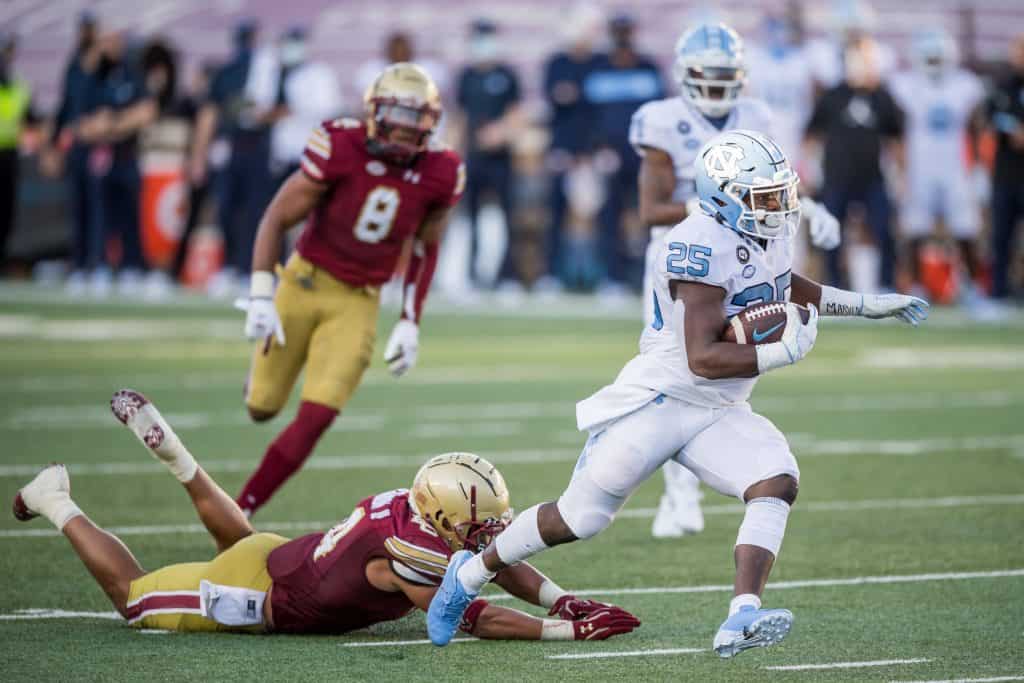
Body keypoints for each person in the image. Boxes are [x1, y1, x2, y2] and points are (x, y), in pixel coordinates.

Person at [426, 129, 929, 656]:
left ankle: (742, 616)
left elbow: (778, 285)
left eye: (781, 193)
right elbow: (703, 357)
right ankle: (469, 574)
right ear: (722, 198)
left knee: (775, 481)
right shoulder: (696, 243)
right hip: (663, 398)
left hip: (720, 406)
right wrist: (782, 353)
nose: (778, 207)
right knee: (579, 518)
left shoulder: (767, 229)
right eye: (764, 198)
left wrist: (862, 304)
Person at [12, 389, 640, 641]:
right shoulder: (416, 552)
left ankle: (176, 455)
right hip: (260, 594)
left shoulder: (415, 505)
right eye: (478, 524)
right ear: (444, 517)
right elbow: (473, 612)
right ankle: (54, 497)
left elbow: (493, 563)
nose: (490, 534)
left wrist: (561, 599)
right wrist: (565, 630)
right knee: (132, 600)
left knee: (244, 541)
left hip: (285, 556)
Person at [629, 22, 840, 539]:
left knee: (729, 367)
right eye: (708, 74)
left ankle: (705, 477)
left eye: (727, 75)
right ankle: (678, 496)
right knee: (677, 370)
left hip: (746, 251)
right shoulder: (662, 120)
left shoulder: (756, 114)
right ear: (685, 74)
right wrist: (712, 203)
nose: (719, 85)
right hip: (682, 256)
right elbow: (649, 211)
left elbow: (777, 179)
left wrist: (806, 205)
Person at [232, 64, 464, 517]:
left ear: (431, 122)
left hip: (359, 299)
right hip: (303, 281)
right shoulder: (339, 143)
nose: (403, 128)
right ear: (374, 111)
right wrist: (262, 293)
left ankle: (240, 510)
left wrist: (410, 321)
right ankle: (257, 381)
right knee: (261, 407)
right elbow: (277, 216)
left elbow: (425, 248)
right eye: (395, 113)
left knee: (317, 415)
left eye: (415, 117)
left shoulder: (442, 169)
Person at [888, 29, 995, 316]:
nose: (934, 63)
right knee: (915, 231)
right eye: (930, 58)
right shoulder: (906, 85)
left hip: (954, 168)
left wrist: (979, 169)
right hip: (919, 167)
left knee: (966, 231)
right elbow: (895, 129)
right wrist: (898, 169)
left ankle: (975, 291)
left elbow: (975, 128)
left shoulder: (964, 85)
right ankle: (917, 291)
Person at [805, 37, 904, 289]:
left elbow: (895, 138)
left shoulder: (882, 96)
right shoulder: (832, 95)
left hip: (872, 177)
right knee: (830, 235)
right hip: (836, 177)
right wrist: (810, 170)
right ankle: (834, 287)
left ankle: (886, 284)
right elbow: (811, 135)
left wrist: (901, 175)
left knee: (884, 231)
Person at [189, 20, 272, 298]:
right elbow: (209, 114)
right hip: (230, 146)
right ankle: (228, 266)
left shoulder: (268, 70)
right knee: (227, 209)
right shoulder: (226, 74)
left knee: (254, 212)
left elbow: (280, 110)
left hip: (259, 146)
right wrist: (200, 155)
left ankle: (250, 269)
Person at [584, 13, 665, 295]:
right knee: (610, 216)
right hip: (610, 157)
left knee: (649, 216)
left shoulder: (648, 67)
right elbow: (589, 116)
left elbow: (660, 114)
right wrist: (598, 147)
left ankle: (650, 275)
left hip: (643, 156)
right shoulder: (597, 68)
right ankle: (613, 277)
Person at [76, 27, 159, 293]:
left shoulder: (131, 75)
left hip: (127, 155)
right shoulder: (91, 78)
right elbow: (83, 124)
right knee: (98, 214)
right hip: (99, 158)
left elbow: (146, 112)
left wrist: (113, 124)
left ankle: (132, 267)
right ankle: (95, 266)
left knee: (130, 214)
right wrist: (113, 124)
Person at [455, 19, 525, 290]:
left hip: (501, 157)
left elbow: (517, 114)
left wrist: (502, 133)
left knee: (508, 215)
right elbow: (460, 116)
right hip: (474, 157)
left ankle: (508, 277)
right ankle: (471, 275)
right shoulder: (466, 75)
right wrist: (457, 154)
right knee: (470, 216)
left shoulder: (507, 75)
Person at [539, 4, 603, 291]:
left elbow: (596, 106)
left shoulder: (601, 63)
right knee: (556, 212)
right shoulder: (557, 62)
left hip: (593, 152)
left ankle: (603, 276)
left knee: (601, 214)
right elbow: (556, 100)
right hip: (562, 150)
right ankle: (551, 275)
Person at [246, 26, 342, 189]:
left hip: (307, 153)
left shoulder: (319, 74)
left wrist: (290, 111)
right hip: (272, 153)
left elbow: (329, 109)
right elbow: (252, 108)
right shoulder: (271, 71)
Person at [48, 12, 102, 294]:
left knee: (96, 208)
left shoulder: (104, 67)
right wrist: (55, 145)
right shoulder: (74, 65)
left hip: (100, 146)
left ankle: (95, 265)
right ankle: (78, 264)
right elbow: (65, 106)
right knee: (77, 207)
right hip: (77, 147)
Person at [0, 33, 41, 272]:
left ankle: (2, 260)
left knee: (6, 212)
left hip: (9, 157)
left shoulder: (18, 85)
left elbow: (31, 121)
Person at [989, 32, 1024, 302]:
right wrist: (1013, 128)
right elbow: (993, 115)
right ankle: (998, 293)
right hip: (1006, 175)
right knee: (1001, 237)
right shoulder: (1003, 84)